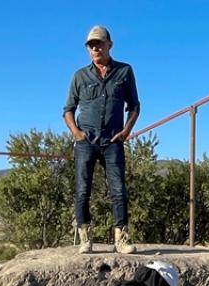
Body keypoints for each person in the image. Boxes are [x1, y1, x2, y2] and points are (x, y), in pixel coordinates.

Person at [63, 24, 141, 255]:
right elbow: (68, 109)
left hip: (113, 140)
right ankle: (86, 238)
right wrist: (76, 133)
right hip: (86, 141)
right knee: (82, 190)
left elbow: (134, 106)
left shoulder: (124, 71)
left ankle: (121, 239)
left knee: (118, 190)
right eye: (91, 45)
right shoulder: (79, 75)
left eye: (99, 43)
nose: (95, 48)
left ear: (109, 44)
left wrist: (126, 131)